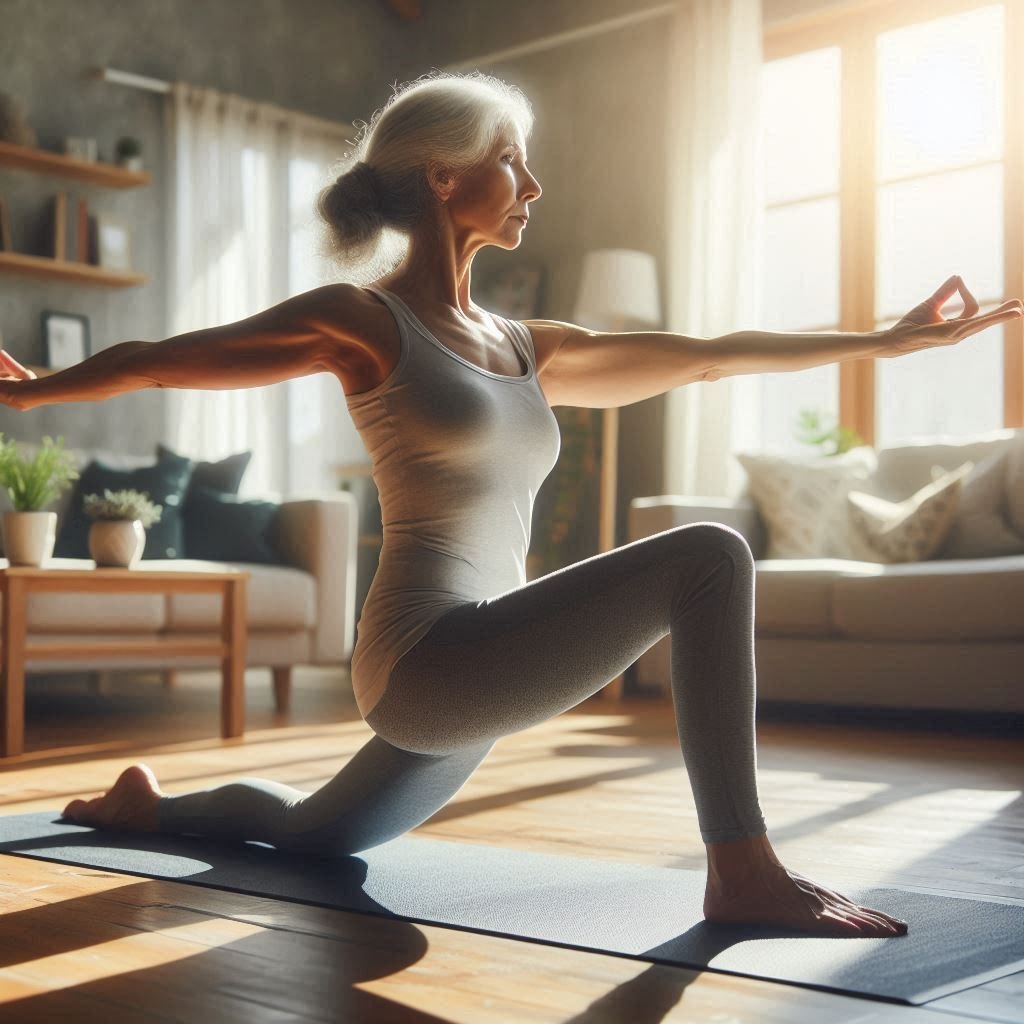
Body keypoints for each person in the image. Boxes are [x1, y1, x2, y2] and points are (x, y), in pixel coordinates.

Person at [2, 70, 1020, 938]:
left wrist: (884, 343)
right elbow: (167, 360)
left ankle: (151, 805)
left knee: (316, 834)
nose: (533, 183)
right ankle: (742, 868)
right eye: (511, 158)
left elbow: (709, 358)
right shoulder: (364, 321)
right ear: (443, 177)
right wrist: (33, 391)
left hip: (483, 655)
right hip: (424, 659)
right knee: (708, 553)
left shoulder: (529, 344)